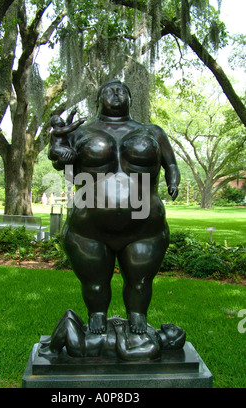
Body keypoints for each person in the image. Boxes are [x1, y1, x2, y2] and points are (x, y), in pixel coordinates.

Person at [48, 79, 180, 335]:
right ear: (98, 100)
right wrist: (59, 150)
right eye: (109, 90)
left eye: (122, 90)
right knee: (94, 283)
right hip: (89, 225)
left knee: (140, 281)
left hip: (145, 225)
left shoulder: (153, 132)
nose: (117, 93)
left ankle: (137, 315)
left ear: (132, 98)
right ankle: (97, 314)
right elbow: (66, 170)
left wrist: (173, 181)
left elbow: (171, 164)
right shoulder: (78, 133)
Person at [38, 309, 185, 360]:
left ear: (171, 342)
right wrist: (118, 320)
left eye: (176, 330)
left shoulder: (153, 347)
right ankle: (53, 341)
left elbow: (126, 353)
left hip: (86, 345)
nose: (174, 326)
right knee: (70, 313)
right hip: (93, 332)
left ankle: (52, 350)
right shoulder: (150, 329)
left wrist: (120, 331)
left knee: (69, 323)